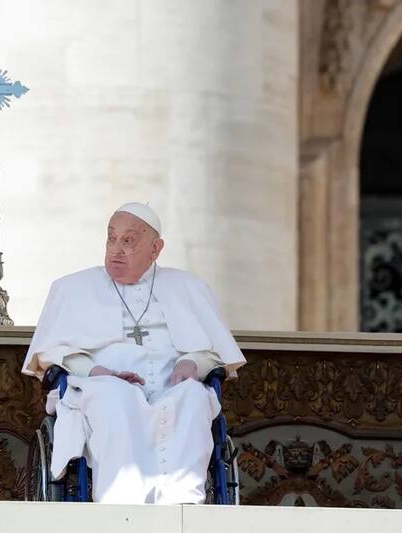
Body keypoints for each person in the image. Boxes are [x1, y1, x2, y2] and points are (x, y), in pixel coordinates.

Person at [22, 202, 246, 504]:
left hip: (172, 388)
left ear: (156, 249)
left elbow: (216, 354)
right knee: (116, 397)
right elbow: (52, 353)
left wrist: (192, 362)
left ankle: (183, 502)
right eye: (111, 238)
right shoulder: (72, 288)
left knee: (194, 397)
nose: (116, 249)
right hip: (101, 386)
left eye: (128, 241)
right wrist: (95, 372)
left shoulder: (188, 287)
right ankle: (121, 502)